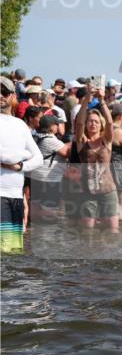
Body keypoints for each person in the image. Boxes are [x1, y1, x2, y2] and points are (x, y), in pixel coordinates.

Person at [1, 76, 43, 253]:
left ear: (12, 96)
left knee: (14, 250)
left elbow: (38, 158)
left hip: (16, 196)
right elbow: (4, 156)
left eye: (4, 92)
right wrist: (22, 155)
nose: (0, 96)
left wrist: (20, 166)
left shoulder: (20, 125)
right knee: (2, 250)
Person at [73, 91, 119, 231]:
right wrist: (86, 100)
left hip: (108, 190)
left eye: (96, 121)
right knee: (87, 230)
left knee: (113, 230)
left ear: (101, 125)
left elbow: (110, 123)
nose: (93, 124)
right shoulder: (82, 142)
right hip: (88, 192)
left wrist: (102, 101)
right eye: (90, 121)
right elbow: (79, 123)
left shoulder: (106, 141)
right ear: (87, 124)